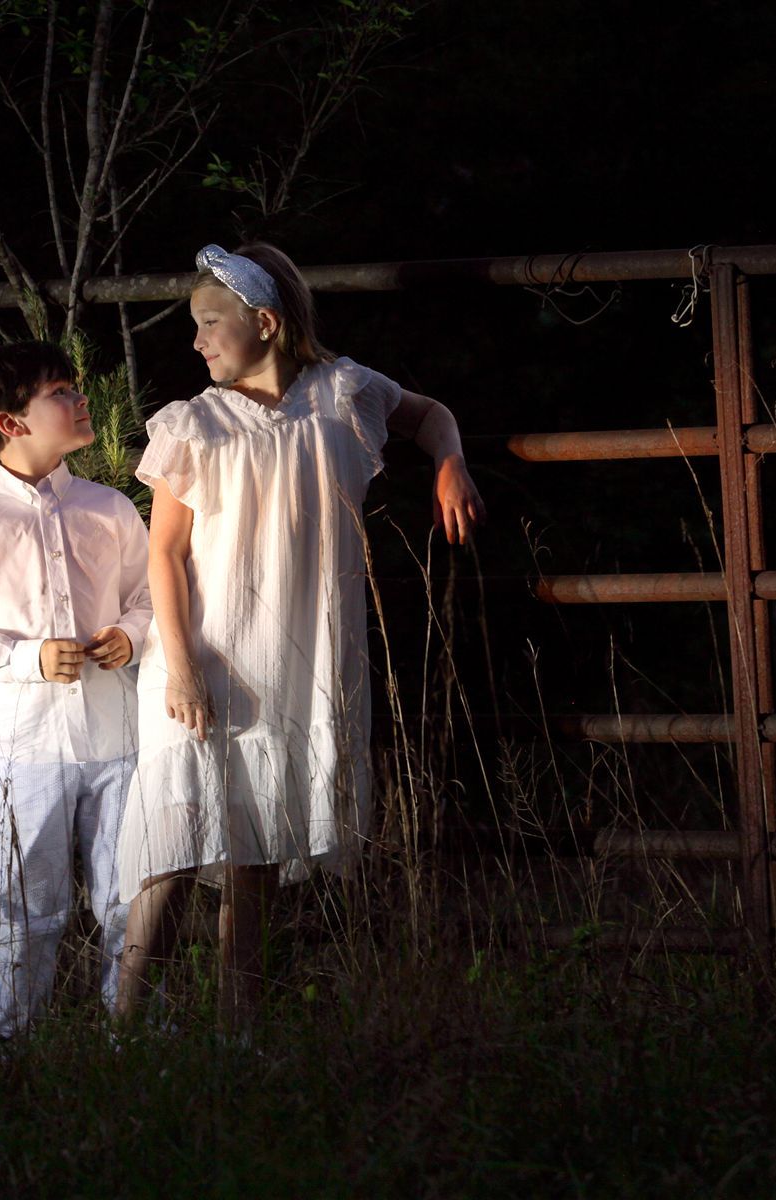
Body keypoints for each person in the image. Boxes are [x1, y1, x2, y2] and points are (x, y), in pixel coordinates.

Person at [114, 243, 485, 1031]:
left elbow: (430, 415)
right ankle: (122, 1027)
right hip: (206, 651)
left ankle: (235, 1031)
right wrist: (178, 667)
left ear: (267, 322)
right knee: (174, 842)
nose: (197, 340)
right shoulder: (197, 425)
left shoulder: (345, 394)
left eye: (211, 323)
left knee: (257, 846)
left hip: (296, 655)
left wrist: (449, 462)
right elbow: (165, 554)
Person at [0, 340, 153, 1045]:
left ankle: (132, 1036)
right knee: (27, 904)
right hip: (27, 749)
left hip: (120, 737)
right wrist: (28, 658)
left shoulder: (108, 507)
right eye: (60, 391)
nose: (81, 400)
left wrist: (133, 635)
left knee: (129, 898)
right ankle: (17, 1040)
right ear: (11, 423)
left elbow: (148, 595)